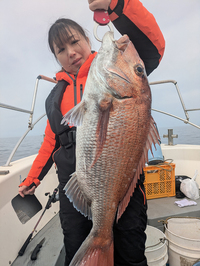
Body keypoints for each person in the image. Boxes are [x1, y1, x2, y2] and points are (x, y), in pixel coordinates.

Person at [18, 0, 165, 265]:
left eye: (75, 42)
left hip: (122, 188)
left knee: (130, 250)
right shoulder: (55, 96)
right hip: (74, 188)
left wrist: (118, 5)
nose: (71, 52)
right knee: (76, 245)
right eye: (61, 49)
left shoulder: (115, 69)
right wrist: (32, 179)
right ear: (55, 57)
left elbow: (153, 48)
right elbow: (51, 140)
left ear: (88, 39)